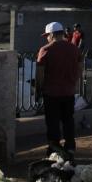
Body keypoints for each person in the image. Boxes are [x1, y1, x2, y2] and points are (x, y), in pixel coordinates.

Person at [37, 20, 82, 157]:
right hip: (68, 92)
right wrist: (73, 81)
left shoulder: (45, 50)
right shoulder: (74, 49)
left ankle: (54, 148)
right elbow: (80, 69)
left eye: (47, 36)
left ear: (51, 35)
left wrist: (39, 89)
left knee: (53, 122)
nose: (47, 38)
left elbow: (40, 73)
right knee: (68, 120)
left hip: (51, 93)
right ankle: (70, 146)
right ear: (62, 33)